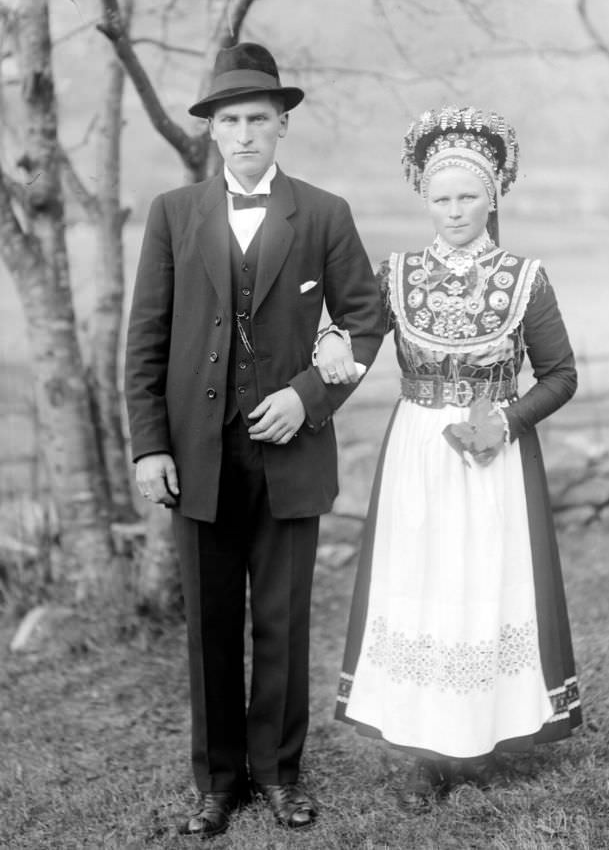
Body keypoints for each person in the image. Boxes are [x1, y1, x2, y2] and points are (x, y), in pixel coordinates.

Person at [124, 42, 384, 836]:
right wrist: (149, 446)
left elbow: (368, 323)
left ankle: (278, 774)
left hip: (288, 455)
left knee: (280, 617)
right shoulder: (174, 214)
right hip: (197, 456)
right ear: (212, 130)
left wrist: (307, 398)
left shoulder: (325, 213)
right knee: (209, 624)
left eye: (259, 121)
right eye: (230, 121)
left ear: (282, 127)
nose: (244, 135)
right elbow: (147, 338)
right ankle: (217, 781)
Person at [316, 106, 582, 807]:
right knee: (422, 584)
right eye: (442, 197)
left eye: (468, 195)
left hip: (494, 457)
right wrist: (331, 343)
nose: (455, 210)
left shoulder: (526, 278)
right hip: (419, 454)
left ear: (492, 196)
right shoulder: (396, 272)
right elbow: (356, 343)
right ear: (424, 199)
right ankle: (426, 751)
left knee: (485, 584)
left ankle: (483, 736)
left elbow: (561, 375)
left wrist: (510, 418)